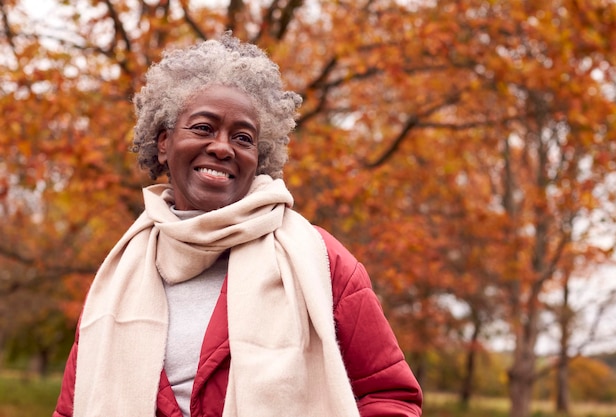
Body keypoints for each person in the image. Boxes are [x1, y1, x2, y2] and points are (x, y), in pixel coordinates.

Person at [53, 32, 422, 417]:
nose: (222, 147)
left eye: (242, 137)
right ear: (164, 142)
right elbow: (70, 409)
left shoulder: (320, 261)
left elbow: (391, 396)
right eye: (203, 128)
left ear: (258, 157)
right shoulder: (117, 275)